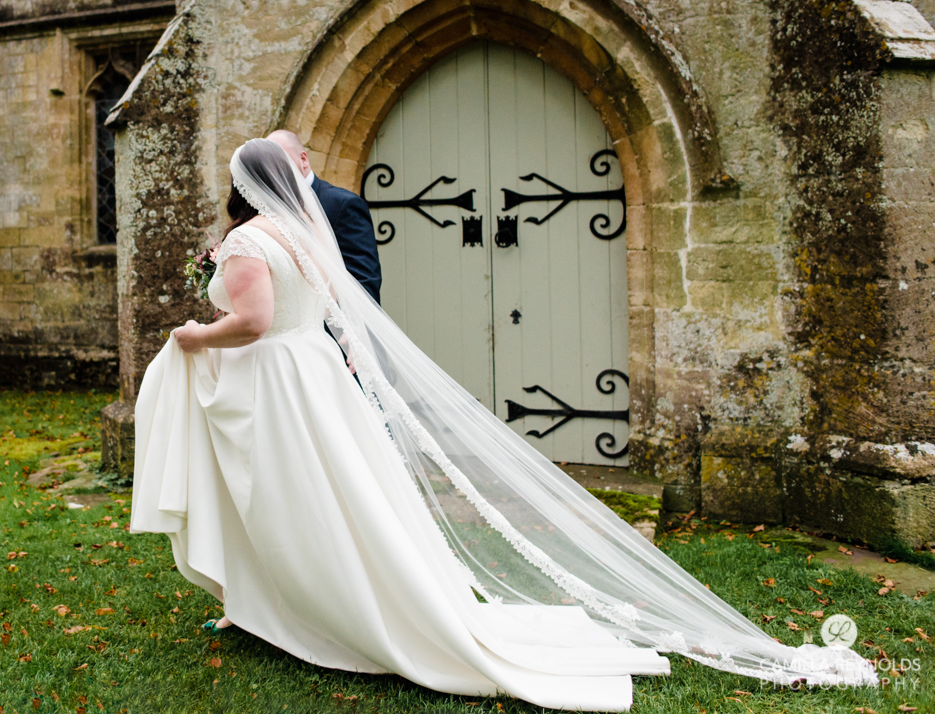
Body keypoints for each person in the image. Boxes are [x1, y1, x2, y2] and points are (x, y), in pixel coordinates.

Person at [130, 139, 875, 711]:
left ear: (241, 183)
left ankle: (325, 605)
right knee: (341, 495)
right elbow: (330, 310)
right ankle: (286, 599)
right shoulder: (304, 234)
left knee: (294, 496)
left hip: (277, 381)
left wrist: (194, 334)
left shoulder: (249, 242)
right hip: (314, 376)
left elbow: (253, 322)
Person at [267, 129, 382, 303]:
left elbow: (364, 281)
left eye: (280, 160)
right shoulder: (265, 207)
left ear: (303, 159)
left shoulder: (343, 204)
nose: (273, 169)